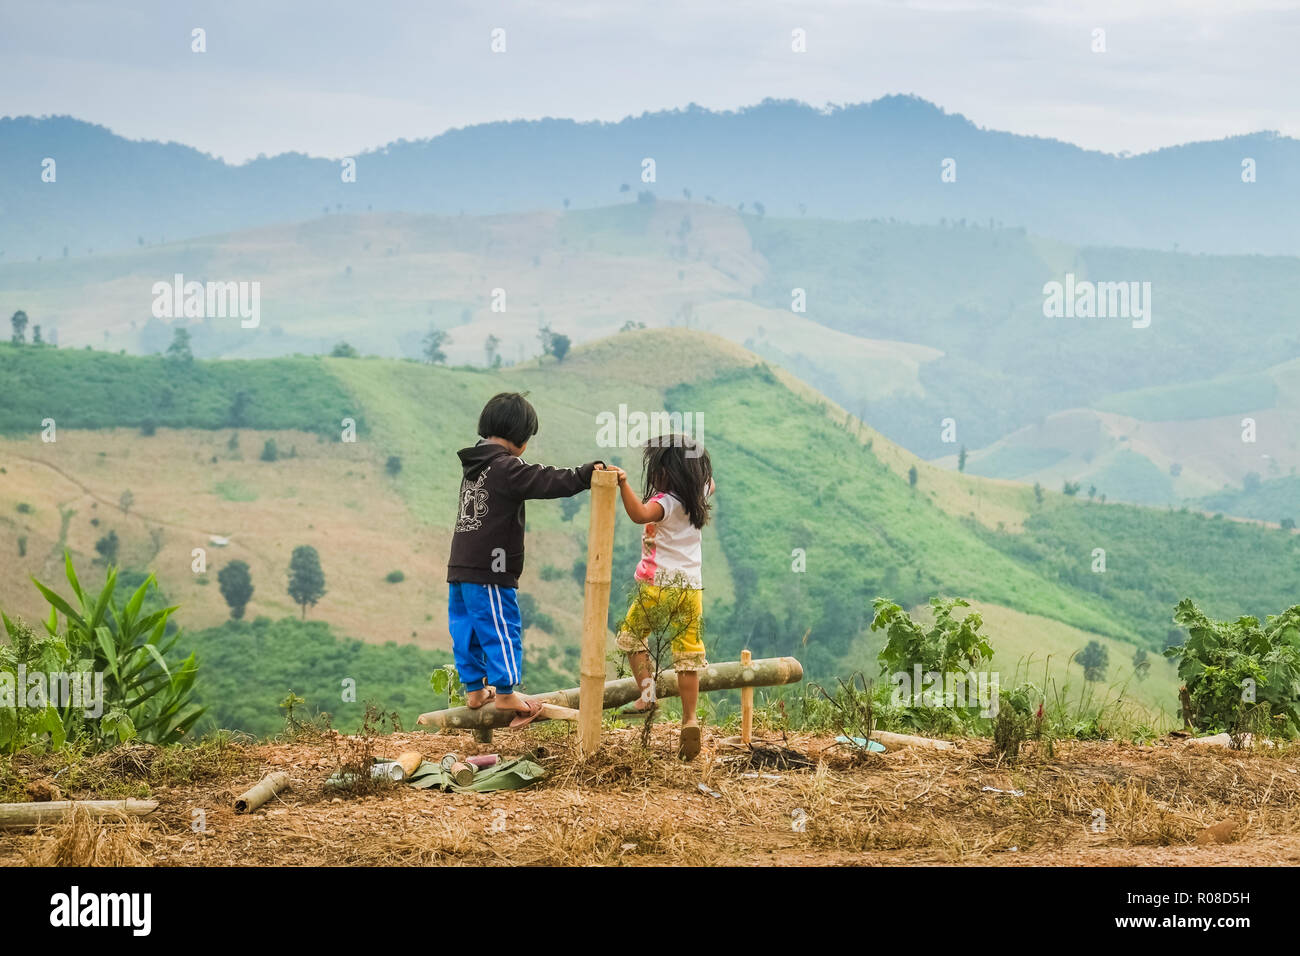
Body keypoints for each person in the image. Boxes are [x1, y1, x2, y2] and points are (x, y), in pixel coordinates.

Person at [447, 392, 606, 726]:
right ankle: (505, 693)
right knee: (501, 628)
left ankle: (475, 690)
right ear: (520, 438)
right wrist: (583, 475)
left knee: (467, 629)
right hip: (491, 568)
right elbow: (545, 480)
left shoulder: (474, 466)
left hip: (460, 565)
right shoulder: (506, 466)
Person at [610, 435, 714, 759]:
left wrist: (623, 484)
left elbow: (640, 514)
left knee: (631, 638)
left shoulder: (665, 503)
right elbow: (711, 481)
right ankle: (690, 719)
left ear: (667, 473)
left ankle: (648, 693)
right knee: (688, 658)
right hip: (691, 590)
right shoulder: (700, 492)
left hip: (659, 587)